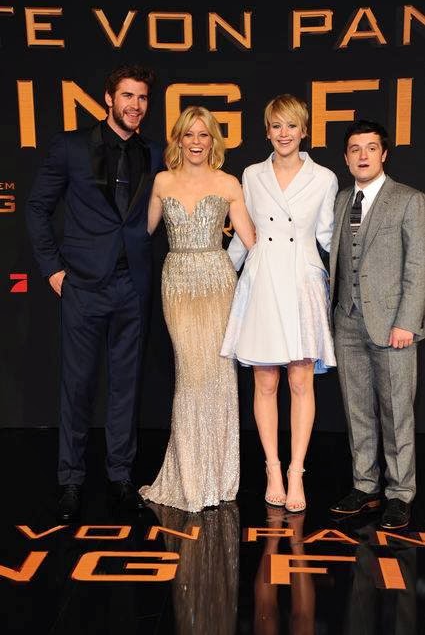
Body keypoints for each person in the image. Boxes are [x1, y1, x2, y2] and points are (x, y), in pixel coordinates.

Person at [26, 64, 163, 520]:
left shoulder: (154, 153)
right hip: (83, 285)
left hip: (132, 285)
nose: (135, 105)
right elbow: (37, 208)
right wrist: (53, 270)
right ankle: (70, 480)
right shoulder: (70, 146)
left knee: (126, 387)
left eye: (142, 98)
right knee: (78, 386)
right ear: (108, 98)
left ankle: (120, 477)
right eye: (127, 96)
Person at [221, 94, 338, 512]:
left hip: (302, 280)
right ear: (267, 131)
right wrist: (222, 274)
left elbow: (328, 236)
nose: (284, 134)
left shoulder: (324, 178)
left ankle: (296, 472)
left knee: (301, 381)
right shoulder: (251, 175)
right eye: (276, 126)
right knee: (265, 382)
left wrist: (360, 271)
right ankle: (272, 467)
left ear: (304, 130)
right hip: (263, 279)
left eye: (291, 126)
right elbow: (244, 234)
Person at [140, 106, 255, 512]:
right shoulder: (162, 181)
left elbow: (251, 241)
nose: (195, 142)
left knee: (218, 374)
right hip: (178, 282)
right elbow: (141, 233)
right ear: (178, 139)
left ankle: (219, 477)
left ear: (213, 141)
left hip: (218, 282)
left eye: (203, 135)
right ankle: (190, 477)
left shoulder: (228, 182)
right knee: (191, 375)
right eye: (188, 134)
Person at [329, 120, 425, 529]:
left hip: (393, 326)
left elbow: (418, 266)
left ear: (384, 154)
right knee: (357, 410)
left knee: (396, 411)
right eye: (355, 149)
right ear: (346, 157)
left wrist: (407, 322)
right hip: (347, 321)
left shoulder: (409, 200)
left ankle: (400, 493)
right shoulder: (340, 199)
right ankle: (365, 485)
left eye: (371, 148)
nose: (363, 155)